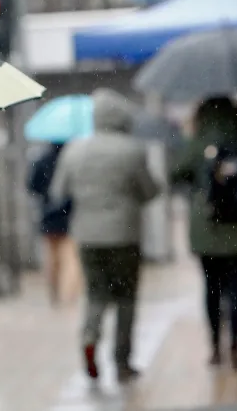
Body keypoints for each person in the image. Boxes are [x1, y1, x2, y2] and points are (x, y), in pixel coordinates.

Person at [50, 88, 159, 384]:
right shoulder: (133, 149)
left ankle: (89, 338)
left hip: (87, 235)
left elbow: (59, 192)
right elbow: (150, 191)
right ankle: (122, 362)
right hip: (124, 235)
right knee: (125, 298)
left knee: (96, 294)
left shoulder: (75, 149)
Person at [172, 97, 237, 372]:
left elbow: (176, 173)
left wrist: (205, 177)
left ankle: (215, 347)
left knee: (211, 288)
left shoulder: (199, 142)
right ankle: (236, 347)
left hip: (208, 225)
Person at [27, 142, 72, 305]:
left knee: (51, 256)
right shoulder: (70, 158)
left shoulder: (42, 160)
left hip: (48, 213)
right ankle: (68, 295)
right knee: (69, 256)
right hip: (70, 214)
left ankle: (54, 291)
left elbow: (31, 185)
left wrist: (46, 196)